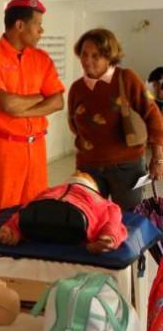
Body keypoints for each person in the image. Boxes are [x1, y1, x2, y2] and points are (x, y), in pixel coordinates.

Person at [0, 0, 65, 224]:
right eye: (38, 24)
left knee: (34, 210)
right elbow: (6, 104)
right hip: (4, 148)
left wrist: (21, 110)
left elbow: (58, 102)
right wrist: (41, 96)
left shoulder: (41, 59)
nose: (41, 30)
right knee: (0, 212)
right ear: (20, 25)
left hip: (36, 149)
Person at [68, 29, 163, 210]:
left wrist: (158, 160)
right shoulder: (77, 88)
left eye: (95, 56)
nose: (87, 61)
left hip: (126, 168)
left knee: (129, 220)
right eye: (84, 54)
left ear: (109, 56)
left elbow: (154, 117)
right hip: (88, 167)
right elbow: (74, 126)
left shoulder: (126, 79)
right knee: (91, 218)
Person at [0, 171, 128, 254]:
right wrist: (110, 236)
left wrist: (11, 227)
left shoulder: (49, 191)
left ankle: (14, 231)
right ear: (93, 187)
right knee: (109, 221)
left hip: (43, 213)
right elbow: (114, 220)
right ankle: (106, 239)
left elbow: (26, 207)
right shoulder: (102, 201)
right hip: (78, 219)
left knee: (30, 213)